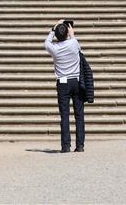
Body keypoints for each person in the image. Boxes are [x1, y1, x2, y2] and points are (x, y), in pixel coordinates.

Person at [44, 20, 84, 153]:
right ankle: (80, 145)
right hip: (76, 81)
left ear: (56, 35)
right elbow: (79, 49)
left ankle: (65, 146)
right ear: (67, 33)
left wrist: (53, 28)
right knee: (79, 114)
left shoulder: (53, 48)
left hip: (62, 83)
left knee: (64, 115)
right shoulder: (74, 43)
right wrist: (72, 34)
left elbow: (46, 43)